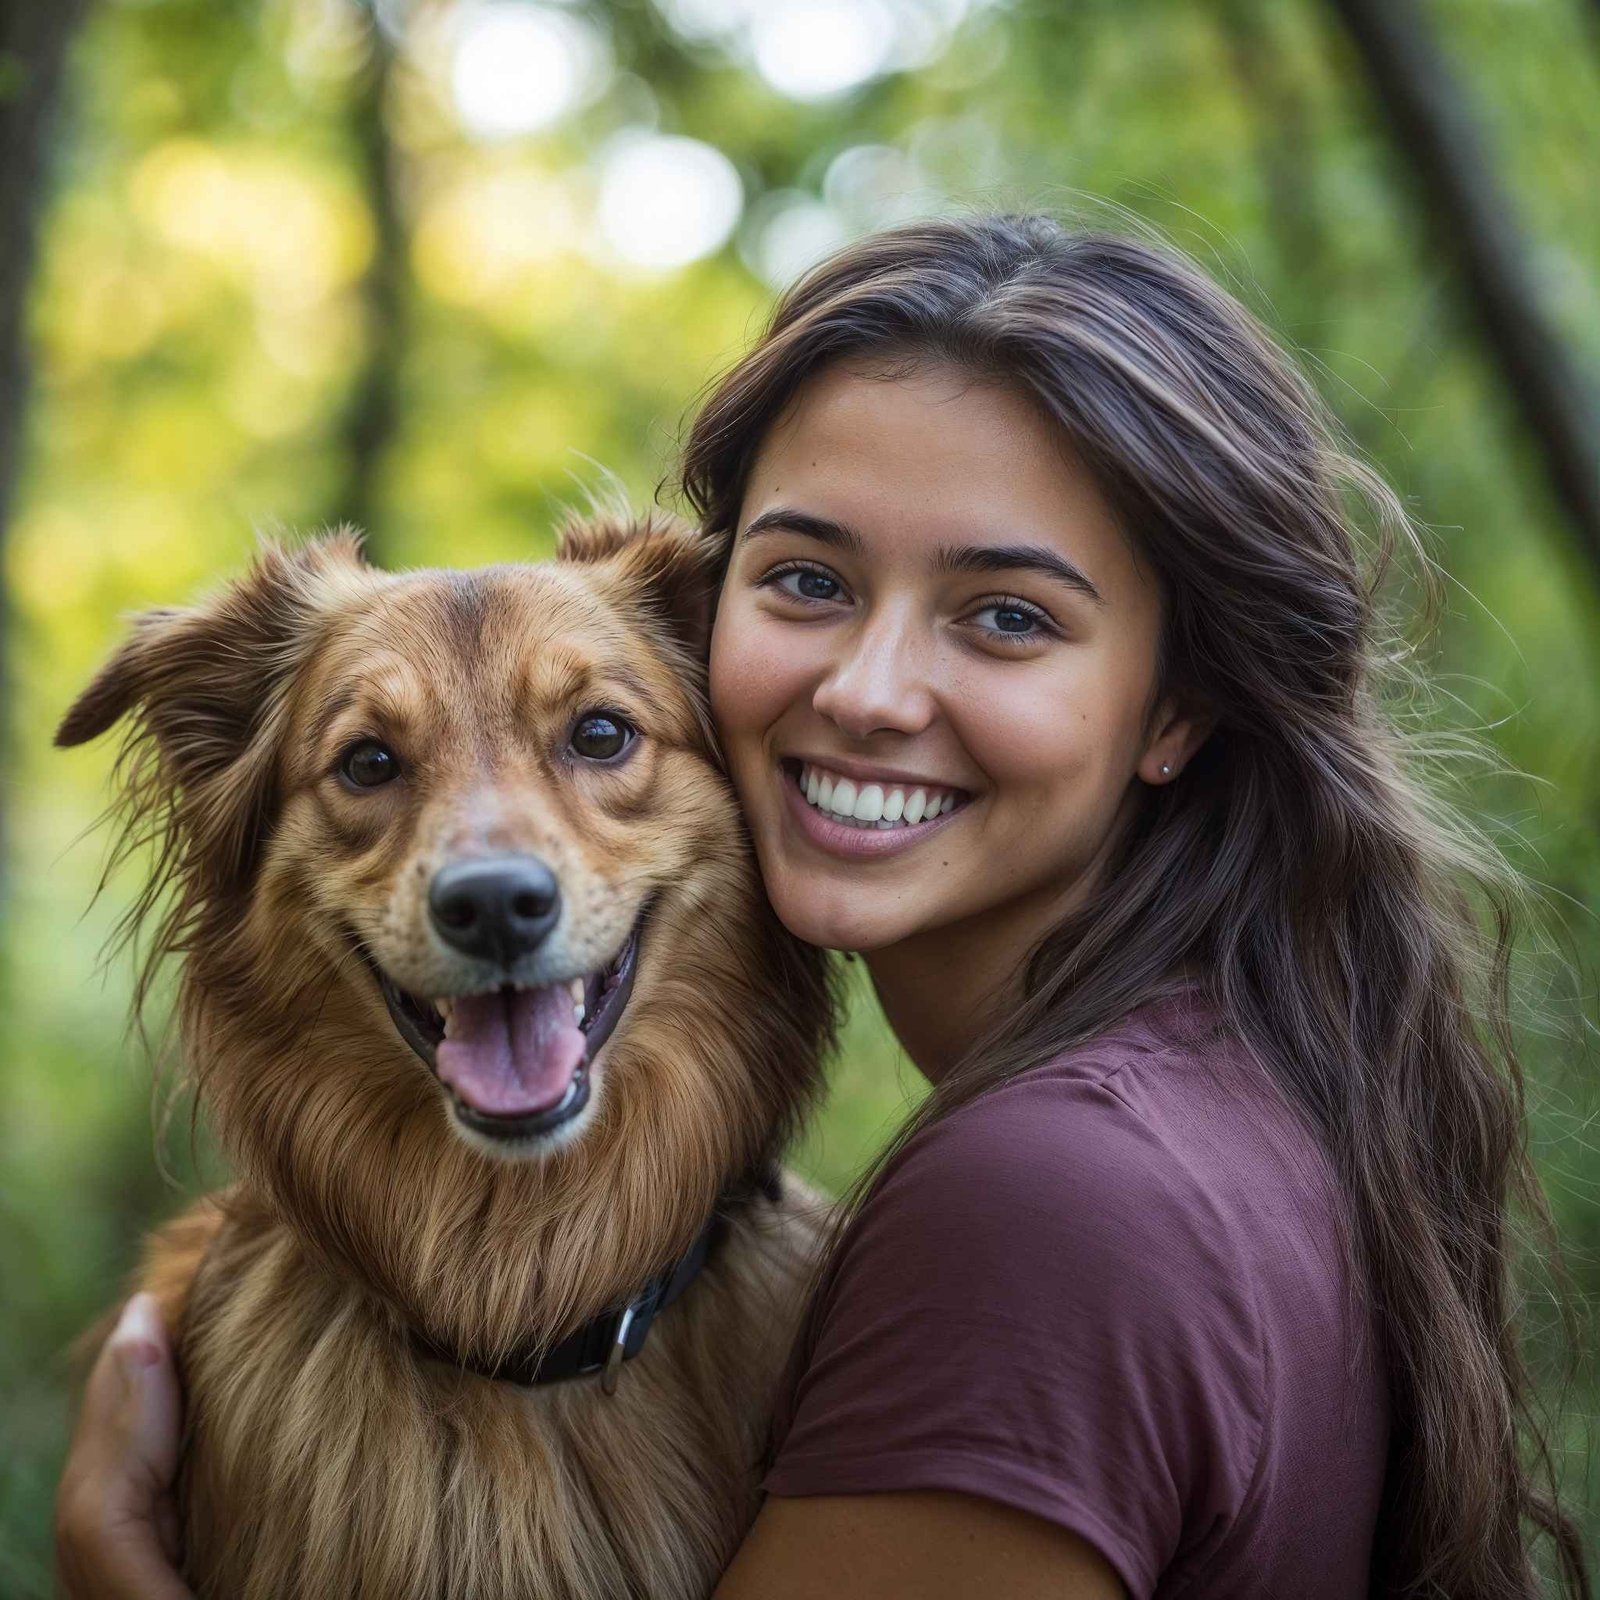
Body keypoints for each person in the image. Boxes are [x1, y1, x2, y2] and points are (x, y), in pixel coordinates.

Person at [54, 215, 1590, 1599]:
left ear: (1175, 704)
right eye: (806, 581)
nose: (864, 692)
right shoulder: (1200, 1110)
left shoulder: (1049, 1210)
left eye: (1006, 615)